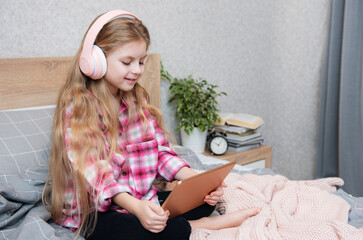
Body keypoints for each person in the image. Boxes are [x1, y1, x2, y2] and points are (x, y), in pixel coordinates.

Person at [42, 9, 260, 240]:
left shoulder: (137, 100)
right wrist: (136, 208)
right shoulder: (78, 108)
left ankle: (186, 220)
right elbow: (95, 177)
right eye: (127, 62)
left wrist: (195, 181)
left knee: (201, 201)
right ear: (95, 61)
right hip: (96, 212)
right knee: (129, 229)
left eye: (141, 61)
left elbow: (161, 153)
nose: (136, 70)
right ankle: (200, 226)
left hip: (142, 200)